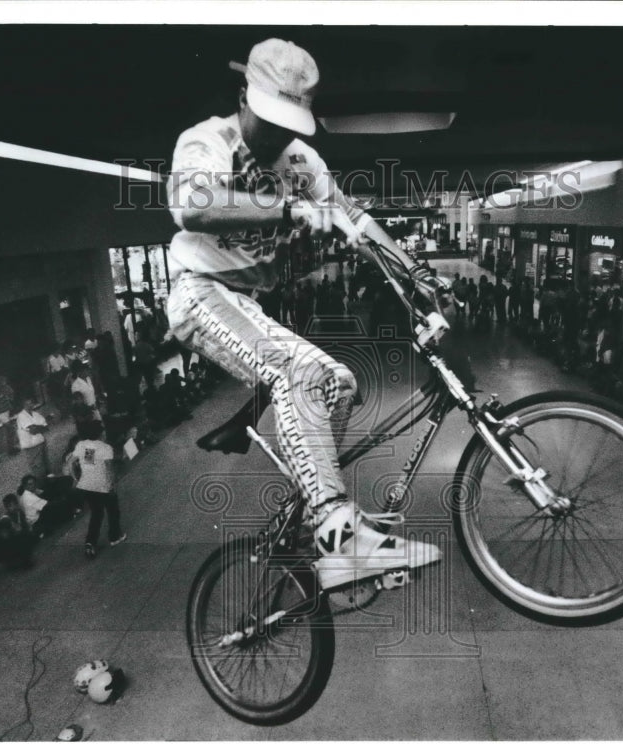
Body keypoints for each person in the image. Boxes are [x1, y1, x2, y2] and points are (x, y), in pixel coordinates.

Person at [163, 38, 440, 590]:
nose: (280, 136)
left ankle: (306, 518)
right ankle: (337, 532)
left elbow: (354, 221)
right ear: (245, 97)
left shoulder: (301, 161)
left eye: (291, 123)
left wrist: (416, 276)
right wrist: (288, 208)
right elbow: (193, 205)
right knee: (303, 373)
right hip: (200, 293)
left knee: (339, 383)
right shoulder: (206, 140)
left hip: (249, 303)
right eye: (270, 121)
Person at [71, 420, 125, 559]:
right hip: (103, 485)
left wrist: (76, 479)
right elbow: (108, 468)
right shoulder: (106, 447)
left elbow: (83, 463)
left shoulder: (83, 445)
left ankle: (90, 542)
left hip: (87, 486)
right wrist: (112, 483)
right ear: (100, 433)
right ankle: (114, 537)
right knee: (113, 510)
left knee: (96, 513)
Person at [16, 397, 50, 477]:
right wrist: (40, 427)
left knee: (46, 464)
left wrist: (38, 427)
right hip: (31, 446)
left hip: (41, 442)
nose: (30, 405)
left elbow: (46, 427)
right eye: (28, 404)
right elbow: (33, 430)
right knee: (37, 467)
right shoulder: (21, 416)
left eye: (31, 403)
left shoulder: (36, 414)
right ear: (24, 405)